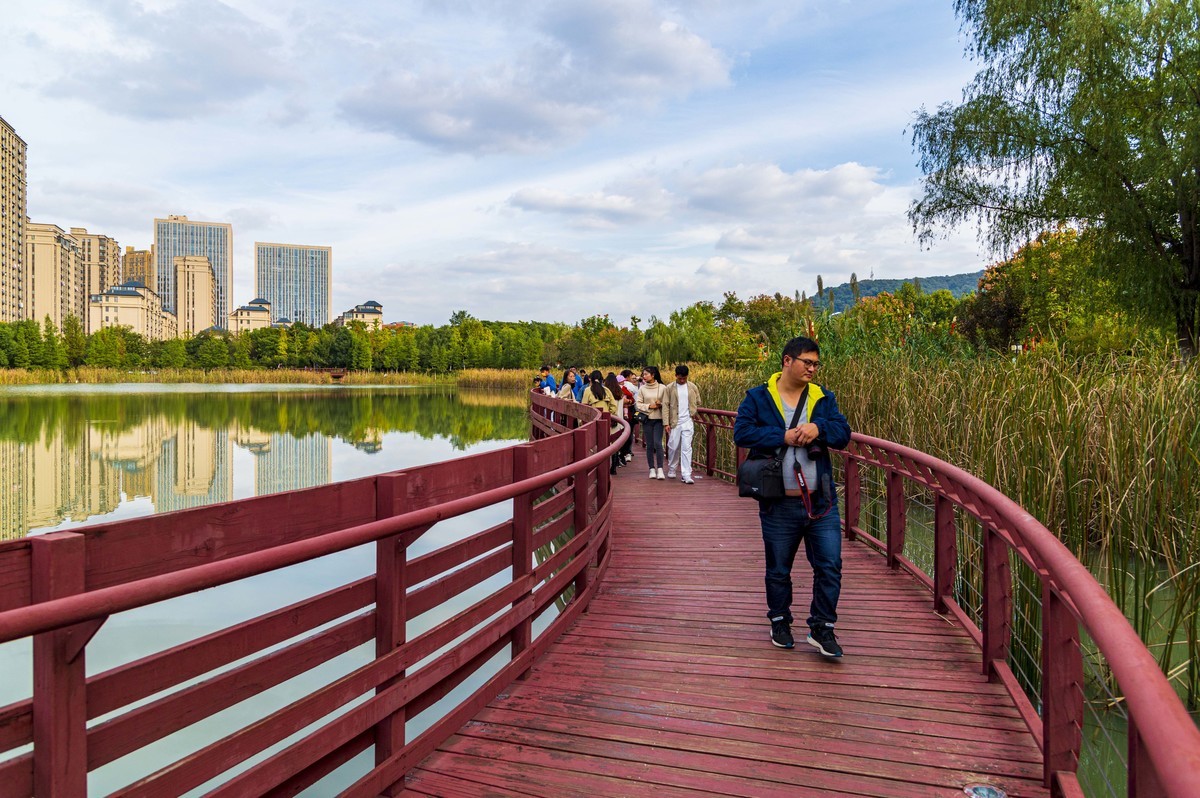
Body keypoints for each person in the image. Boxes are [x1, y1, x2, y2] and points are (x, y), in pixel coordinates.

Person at [733, 336, 852, 657]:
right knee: (778, 569)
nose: (812, 369)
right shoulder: (759, 397)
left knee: (830, 566)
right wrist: (781, 435)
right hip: (778, 500)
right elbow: (741, 432)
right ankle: (780, 620)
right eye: (807, 362)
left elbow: (844, 434)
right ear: (787, 361)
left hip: (821, 500)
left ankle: (822, 627)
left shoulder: (823, 398)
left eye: (816, 364)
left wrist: (818, 428)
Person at [663, 364, 701, 484]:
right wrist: (666, 423)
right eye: (680, 378)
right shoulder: (669, 388)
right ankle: (672, 467)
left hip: (688, 421)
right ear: (675, 376)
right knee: (673, 446)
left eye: (684, 378)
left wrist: (693, 410)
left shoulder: (692, 387)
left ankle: (686, 474)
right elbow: (665, 405)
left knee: (686, 448)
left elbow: (698, 400)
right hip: (675, 421)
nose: (682, 380)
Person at [581, 370, 620, 473]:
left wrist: (582, 421)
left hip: (593, 421)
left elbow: (584, 407)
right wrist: (609, 413)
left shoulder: (587, 390)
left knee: (594, 443)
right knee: (608, 442)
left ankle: (596, 467)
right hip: (606, 421)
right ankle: (612, 466)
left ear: (591, 379)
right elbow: (614, 406)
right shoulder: (606, 390)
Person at [635, 366, 668, 479]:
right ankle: (651, 469)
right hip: (647, 419)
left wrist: (661, 403)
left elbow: (668, 403)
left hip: (659, 419)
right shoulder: (642, 389)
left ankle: (660, 469)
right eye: (643, 374)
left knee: (658, 443)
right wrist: (650, 406)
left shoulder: (663, 387)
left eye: (646, 374)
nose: (643, 377)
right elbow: (638, 404)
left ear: (653, 375)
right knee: (649, 444)